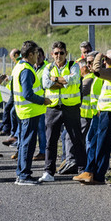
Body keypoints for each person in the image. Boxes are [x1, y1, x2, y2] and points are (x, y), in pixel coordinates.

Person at [77, 50, 111, 186]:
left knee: (103, 144)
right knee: (97, 141)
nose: (104, 63)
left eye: (106, 60)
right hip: (107, 111)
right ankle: (90, 172)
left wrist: (99, 56)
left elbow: (97, 70)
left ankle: (98, 176)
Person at [40, 41, 86, 182]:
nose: (58, 56)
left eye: (61, 53)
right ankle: (49, 172)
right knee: (50, 141)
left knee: (76, 139)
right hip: (53, 108)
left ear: (66, 53)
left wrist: (55, 80)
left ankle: (83, 169)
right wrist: (61, 82)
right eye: (56, 53)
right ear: (52, 55)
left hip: (70, 107)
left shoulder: (74, 66)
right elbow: (45, 83)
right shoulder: (48, 67)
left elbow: (73, 79)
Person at [11, 41, 46, 185]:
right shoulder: (26, 70)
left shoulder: (19, 66)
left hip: (24, 111)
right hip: (29, 111)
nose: (37, 57)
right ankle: (24, 175)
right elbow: (28, 94)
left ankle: (21, 173)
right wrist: (43, 100)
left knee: (25, 143)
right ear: (30, 54)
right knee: (27, 144)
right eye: (36, 54)